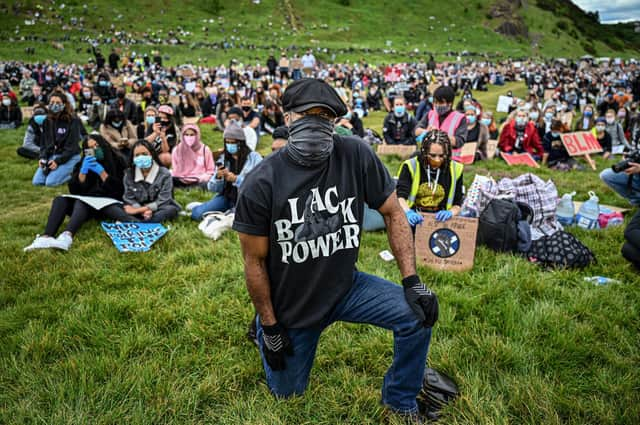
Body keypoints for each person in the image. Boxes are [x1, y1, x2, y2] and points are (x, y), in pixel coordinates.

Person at [232, 79, 437, 422]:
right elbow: (254, 261)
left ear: (335, 122)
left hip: (346, 285)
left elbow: (392, 212)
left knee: (417, 315)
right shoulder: (262, 182)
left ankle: (401, 399)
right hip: (293, 304)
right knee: (288, 394)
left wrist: (411, 280)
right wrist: (269, 326)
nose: (315, 123)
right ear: (287, 118)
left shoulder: (355, 154)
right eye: (306, 115)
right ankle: (259, 325)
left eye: (324, 117)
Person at [24, 134, 127, 251]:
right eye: (90, 148)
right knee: (61, 199)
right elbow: (74, 190)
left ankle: (67, 237)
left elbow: (120, 190)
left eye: (97, 145)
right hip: (86, 203)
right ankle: (46, 236)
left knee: (81, 202)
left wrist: (103, 174)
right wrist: (82, 173)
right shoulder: (84, 162)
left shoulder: (118, 161)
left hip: (107, 204)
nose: (95, 149)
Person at [190, 122, 262, 220]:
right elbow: (212, 188)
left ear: (241, 142)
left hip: (245, 200)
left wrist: (236, 179)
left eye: (233, 142)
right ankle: (208, 207)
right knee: (197, 214)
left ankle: (224, 212)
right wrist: (218, 177)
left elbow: (258, 184)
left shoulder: (254, 158)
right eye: (227, 142)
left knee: (236, 219)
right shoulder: (223, 158)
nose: (230, 145)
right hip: (227, 197)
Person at [397, 130, 464, 227]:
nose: (437, 160)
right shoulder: (411, 166)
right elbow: (399, 197)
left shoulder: (456, 169)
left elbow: (458, 203)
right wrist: (408, 212)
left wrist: (451, 213)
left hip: (441, 220)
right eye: (432, 155)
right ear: (424, 152)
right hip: (413, 216)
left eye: (441, 156)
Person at [102, 140, 181, 222]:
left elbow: (164, 199)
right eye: (137, 155)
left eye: (144, 154)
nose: (141, 157)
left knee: (170, 210)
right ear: (133, 158)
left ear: (152, 155)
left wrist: (143, 209)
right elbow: (128, 198)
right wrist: (141, 210)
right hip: (136, 207)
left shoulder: (164, 174)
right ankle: (144, 221)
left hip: (159, 208)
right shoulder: (129, 174)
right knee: (117, 209)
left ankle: (140, 222)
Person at [33, 91, 82, 187]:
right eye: (52, 102)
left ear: (64, 104)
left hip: (69, 156)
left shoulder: (73, 121)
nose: (54, 105)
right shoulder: (47, 121)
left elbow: (71, 147)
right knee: (37, 182)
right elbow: (43, 144)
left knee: (51, 183)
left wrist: (58, 161)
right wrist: (42, 158)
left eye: (58, 103)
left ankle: (74, 172)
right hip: (52, 155)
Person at [171, 124, 215, 188]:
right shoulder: (177, 150)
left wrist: (202, 178)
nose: (189, 137)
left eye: (192, 135)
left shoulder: (205, 150)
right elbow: (175, 168)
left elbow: (210, 170)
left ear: (197, 135)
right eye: (186, 135)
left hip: (198, 179)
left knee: (205, 184)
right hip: (180, 179)